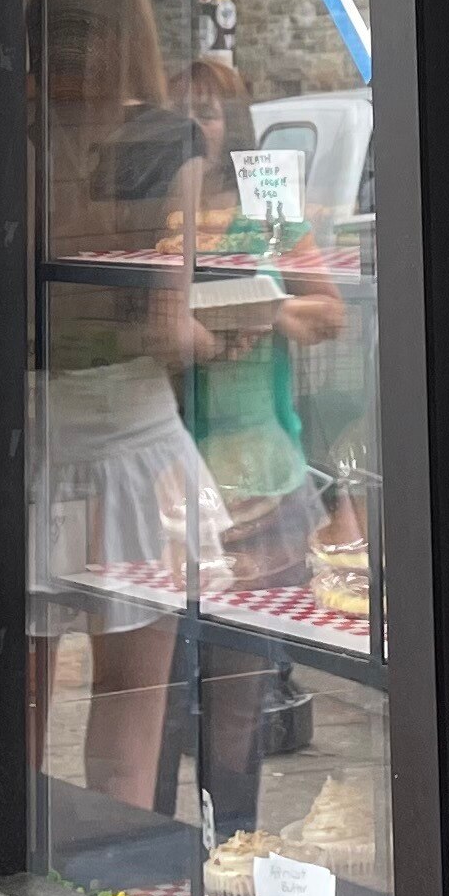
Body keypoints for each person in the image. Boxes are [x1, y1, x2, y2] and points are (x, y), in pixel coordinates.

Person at [24, 0, 224, 826]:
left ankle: (13, 895)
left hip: (32, 437)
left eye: (78, 28)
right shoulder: (165, 140)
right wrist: (239, 331)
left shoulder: (8, 133)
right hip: (136, 446)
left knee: (9, 733)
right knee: (128, 733)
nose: (73, 50)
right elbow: (168, 328)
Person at [171, 55, 343, 841]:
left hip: (259, 479)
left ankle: (230, 849)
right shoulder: (152, 218)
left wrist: (262, 311)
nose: (194, 123)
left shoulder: (267, 215)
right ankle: (149, 857)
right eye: (181, 109)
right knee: (160, 691)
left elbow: (329, 313)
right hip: (170, 479)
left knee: (238, 693)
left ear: (232, 124)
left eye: (207, 110)